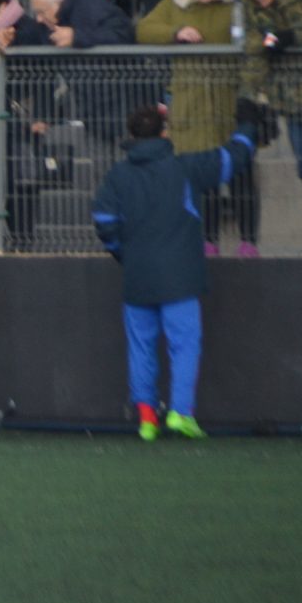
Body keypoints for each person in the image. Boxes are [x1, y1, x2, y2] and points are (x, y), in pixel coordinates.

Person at [93, 104, 258, 439]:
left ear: (131, 135)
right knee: (184, 345)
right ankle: (181, 413)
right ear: (164, 132)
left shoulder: (117, 175)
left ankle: (147, 419)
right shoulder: (186, 168)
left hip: (138, 276)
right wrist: (248, 124)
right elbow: (233, 158)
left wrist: (124, 254)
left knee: (141, 346)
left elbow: (104, 221)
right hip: (180, 277)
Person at [138, 0, 250, 253]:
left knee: (242, 176)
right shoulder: (176, 1)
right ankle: (208, 241)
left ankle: (248, 242)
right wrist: (176, 32)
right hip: (191, 105)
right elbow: (145, 29)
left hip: (230, 99)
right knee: (200, 179)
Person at [234, 0, 302, 258]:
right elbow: (255, 50)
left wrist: (295, 37)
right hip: (294, 104)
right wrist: (247, 96)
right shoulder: (255, 5)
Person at [15, 0, 134, 48]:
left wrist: (76, 37)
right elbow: (34, 36)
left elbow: (124, 35)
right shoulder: (47, 22)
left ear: (58, 4)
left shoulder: (93, 8)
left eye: (41, 12)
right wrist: (13, 39)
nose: (38, 19)